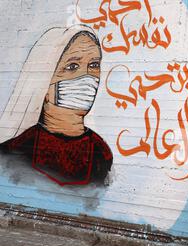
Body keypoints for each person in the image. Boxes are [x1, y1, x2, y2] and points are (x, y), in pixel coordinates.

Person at [0, 25, 112, 186]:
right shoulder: (12, 153)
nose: (87, 77)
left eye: (94, 65)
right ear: (43, 80)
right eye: (72, 67)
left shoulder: (101, 153)